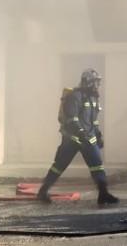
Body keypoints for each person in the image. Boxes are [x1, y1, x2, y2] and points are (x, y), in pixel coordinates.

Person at [37, 69, 119, 205]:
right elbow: (71, 118)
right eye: (96, 82)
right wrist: (81, 132)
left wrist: (98, 135)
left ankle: (103, 194)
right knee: (59, 166)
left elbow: (94, 121)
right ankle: (43, 191)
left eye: (98, 82)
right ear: (89, 82)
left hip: (88, 139)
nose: (98, 85)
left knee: (97, 166)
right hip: (72, 139)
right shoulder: (75, 96)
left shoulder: (93, 98)